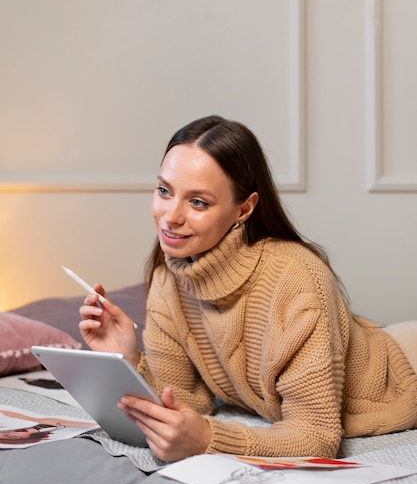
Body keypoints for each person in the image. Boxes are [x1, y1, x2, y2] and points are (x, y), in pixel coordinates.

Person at [79, 115, 417, 462]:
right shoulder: (170, 276)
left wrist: (210, 437)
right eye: (164, 191)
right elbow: (183, 398)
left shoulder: (298, 277)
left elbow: (316, 435)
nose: (170, 216)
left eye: (198, 202)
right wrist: (128, 359)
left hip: (403, 370)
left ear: (245, 208)